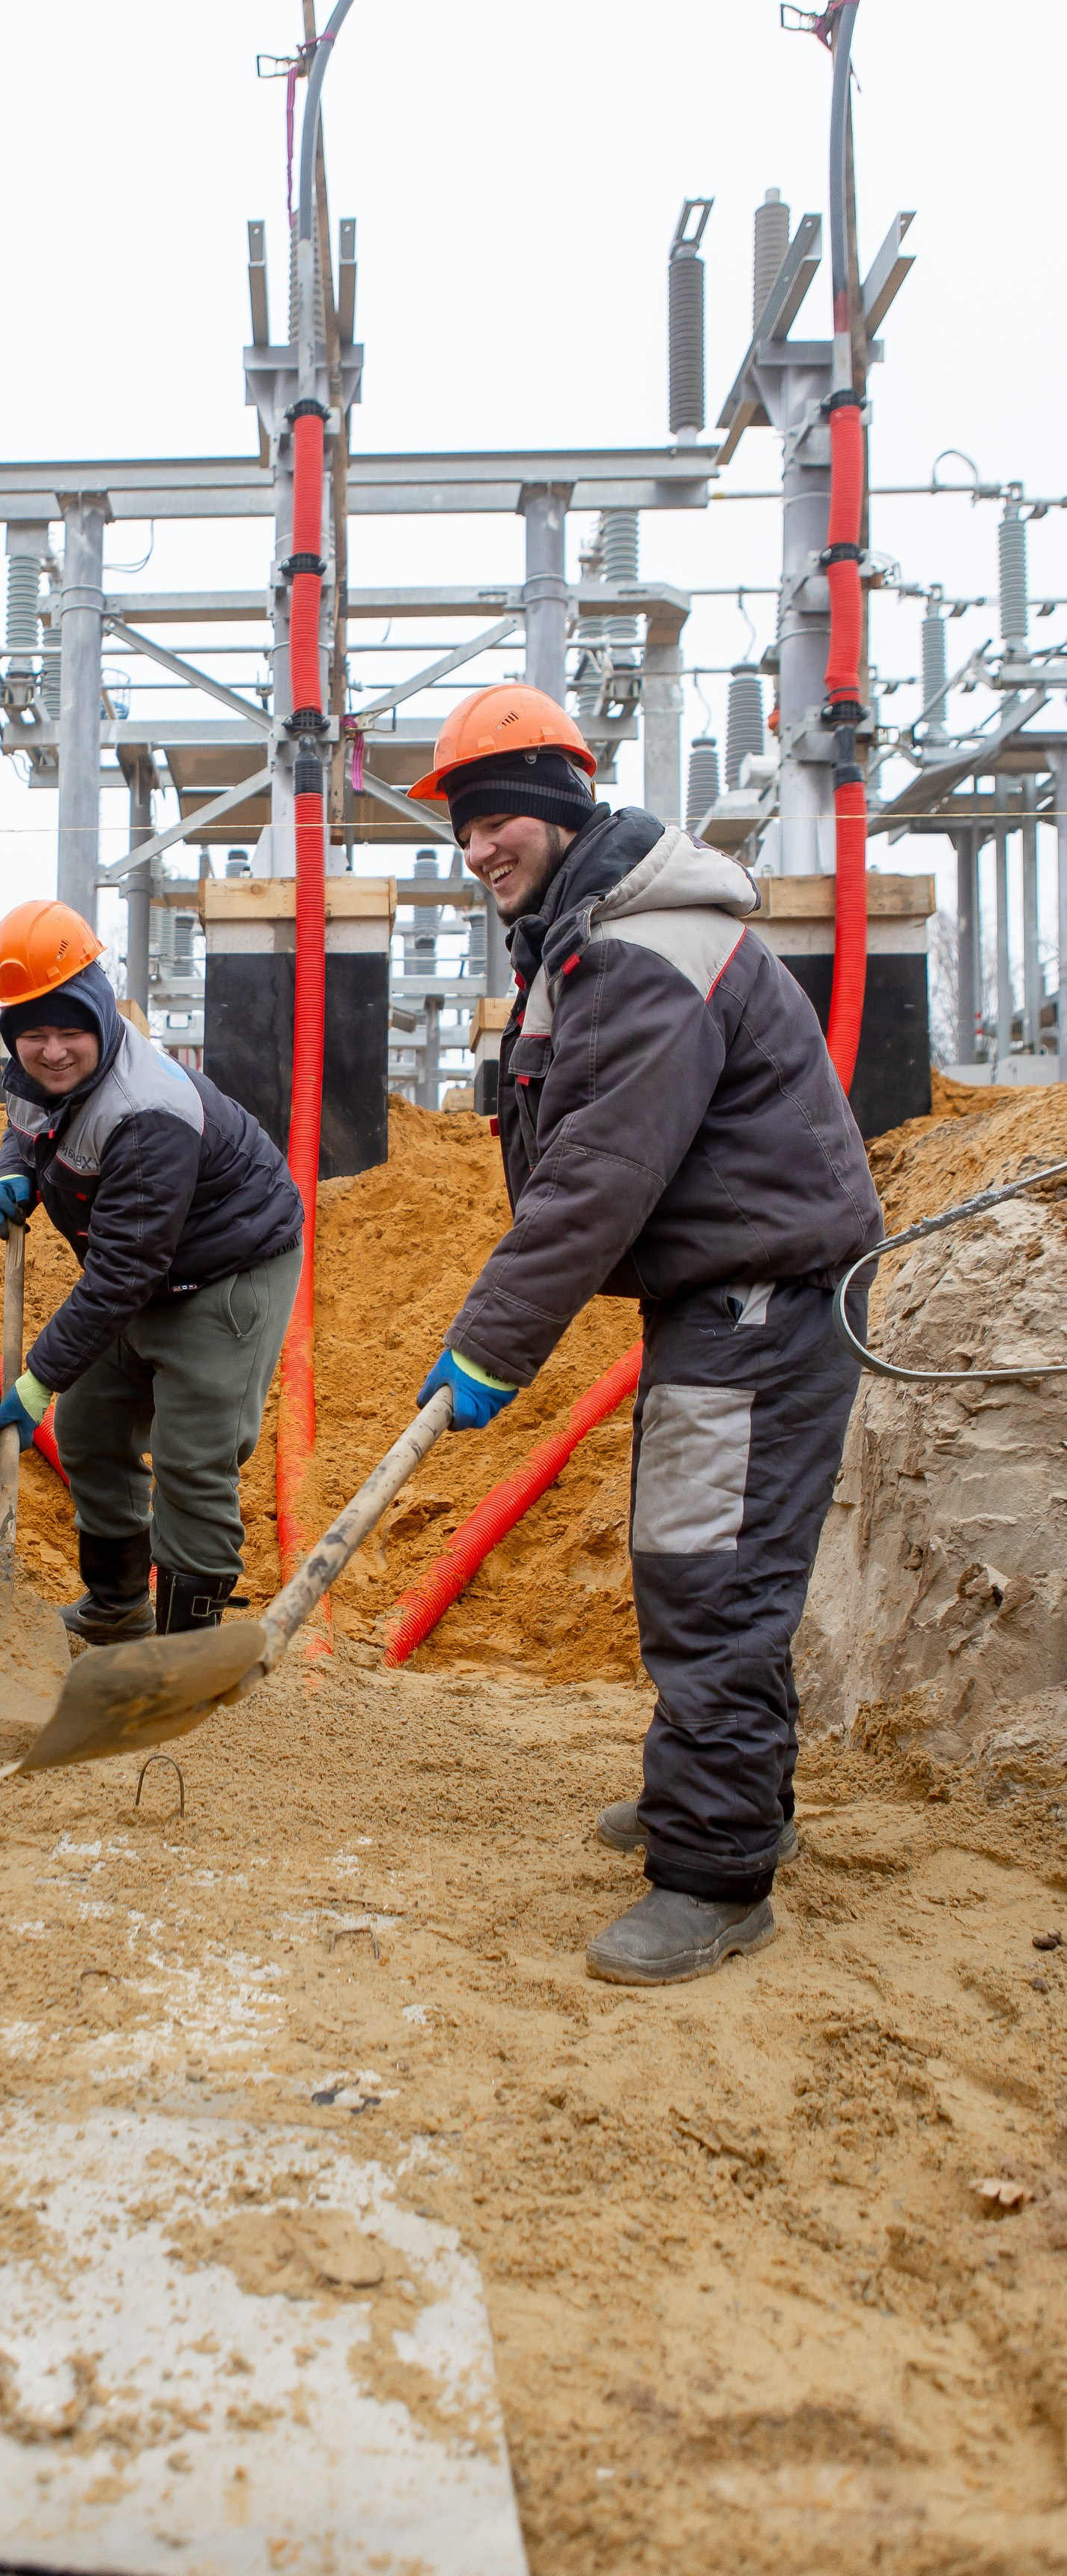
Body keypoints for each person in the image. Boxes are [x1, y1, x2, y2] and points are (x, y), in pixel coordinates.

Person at [407, 685, 881, 1986]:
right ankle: (734, 1801)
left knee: (707, 1572)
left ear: (558, 808)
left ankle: (715, 1874)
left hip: (758, 1300)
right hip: (732, 1293)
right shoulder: (592, 932)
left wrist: (492, 1342)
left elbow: (597, 1171)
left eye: (496, 818)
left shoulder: (638, 948)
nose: (478, 847)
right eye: (462, 828)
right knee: (712, 1558)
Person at [0, 900, 304, 1641]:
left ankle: (185, 1647)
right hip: (140, 1264)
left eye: (69, 1031)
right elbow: (27, 1123)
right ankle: (117, 1606)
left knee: (193, 1457)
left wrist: (39, 1376)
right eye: (33, 1033)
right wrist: (13, 1169)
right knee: (90, 1428)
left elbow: (124, 1270)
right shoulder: (36, 1072)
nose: (52, 1052)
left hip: (227, 1267)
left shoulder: (147, 1110)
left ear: (98, 1013)